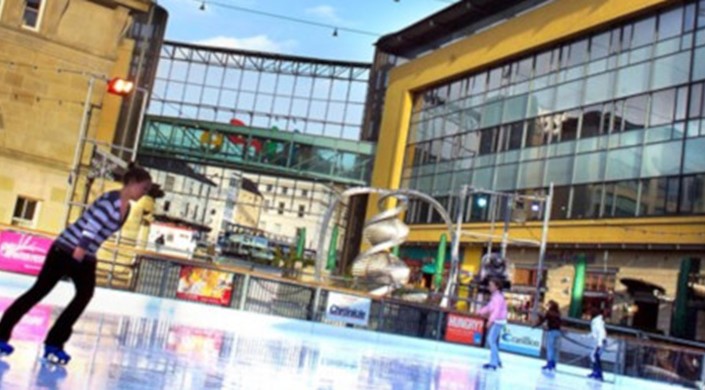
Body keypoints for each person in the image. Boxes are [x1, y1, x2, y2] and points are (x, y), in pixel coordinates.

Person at [0, 163, 152, 365]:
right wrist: (78, 255)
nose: (144, 193)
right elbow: (91, 228)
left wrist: (85, 256)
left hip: (86, 255)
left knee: (83, 296)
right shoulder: (111, 201)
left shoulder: (128, 207)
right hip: (66, 250)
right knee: (38, 292)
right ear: (132, 183)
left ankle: (54, 342)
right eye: (144, 188)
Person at [477, 277, 508, 370]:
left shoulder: (498, 297)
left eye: (491, 285)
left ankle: (494, 363)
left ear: (496, 287)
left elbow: (496, 310)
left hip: (498, 320)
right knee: (492, 340)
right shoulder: (496, 296)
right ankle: (497, 361)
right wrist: (480, 311)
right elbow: (490, 307)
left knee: (491, 340)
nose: (489, 287)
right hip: (498, 320)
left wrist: (490, 321)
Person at [534, 300, 562, 372]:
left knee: (550, 348)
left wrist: (535, 325)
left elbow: (542, 320)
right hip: (558, 332)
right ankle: (553, 363)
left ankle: (549, 363)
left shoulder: (549, 313)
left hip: (551, 331)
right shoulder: (558, 313)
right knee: (555, 349)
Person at [588, 307, 607, 381]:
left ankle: (598, 373)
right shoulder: (596, 321)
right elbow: (595, 332)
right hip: (598, 341)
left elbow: (601, 332)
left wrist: (600, 343)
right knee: (594, 356)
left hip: (600, 341)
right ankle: (595, 371)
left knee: (596, 356)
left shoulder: (597, 321)